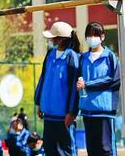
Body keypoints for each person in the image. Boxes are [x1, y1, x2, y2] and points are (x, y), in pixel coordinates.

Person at [34, 21, 80, 156]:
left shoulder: (72, 57)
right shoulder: (50, 55)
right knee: (50, 150)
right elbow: (43, 79)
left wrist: (71, 112)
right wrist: (39, 104)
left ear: (60, 39)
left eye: (53, 37)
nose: (50, 39)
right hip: (49, 115)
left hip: (64, 117)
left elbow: (74, 88)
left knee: (65, 152)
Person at [77, 21, 120, 156]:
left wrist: (88, 84)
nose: (92, 38)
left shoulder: (110, 57)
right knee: (92, 150)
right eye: (89, 35)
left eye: (95, 35)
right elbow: (78, 80)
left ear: (102, 37)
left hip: (104, 112)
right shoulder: (82, 58)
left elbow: (113, 80)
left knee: (106, 149)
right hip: (87, 111)